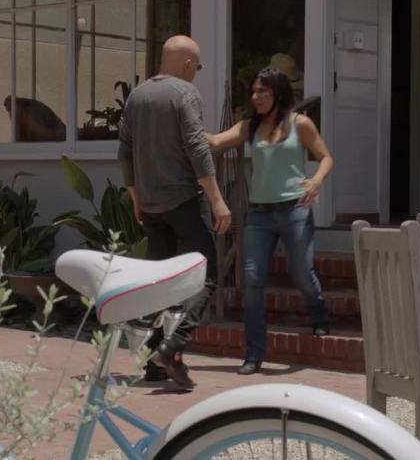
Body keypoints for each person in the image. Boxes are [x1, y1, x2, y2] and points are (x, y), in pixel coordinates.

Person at [118, 35, 232, 390]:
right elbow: (197, 147)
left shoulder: (137, 96)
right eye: (197, 67)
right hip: (184, 201)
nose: (196, 72)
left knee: (161, 284)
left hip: (151, 206)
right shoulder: (185, 93)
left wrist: (136, 197)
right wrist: (217, 199)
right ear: (187, 64)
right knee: (206, 275)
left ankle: (154, 363)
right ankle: (172, 347)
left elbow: (125, 151)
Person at [205, 68, 333, 375]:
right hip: (259, 215)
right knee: (252, 280)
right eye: (253, 92)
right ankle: (254, 354)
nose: (256, 97)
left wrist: (316, 181)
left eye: (263, 91)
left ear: (278, 92)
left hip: (295, 210)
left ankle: (318, 313)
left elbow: (326, 157)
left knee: (302, 272)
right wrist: (184, 125)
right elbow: (215, 142)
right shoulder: (249, 127)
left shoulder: (300, 124)